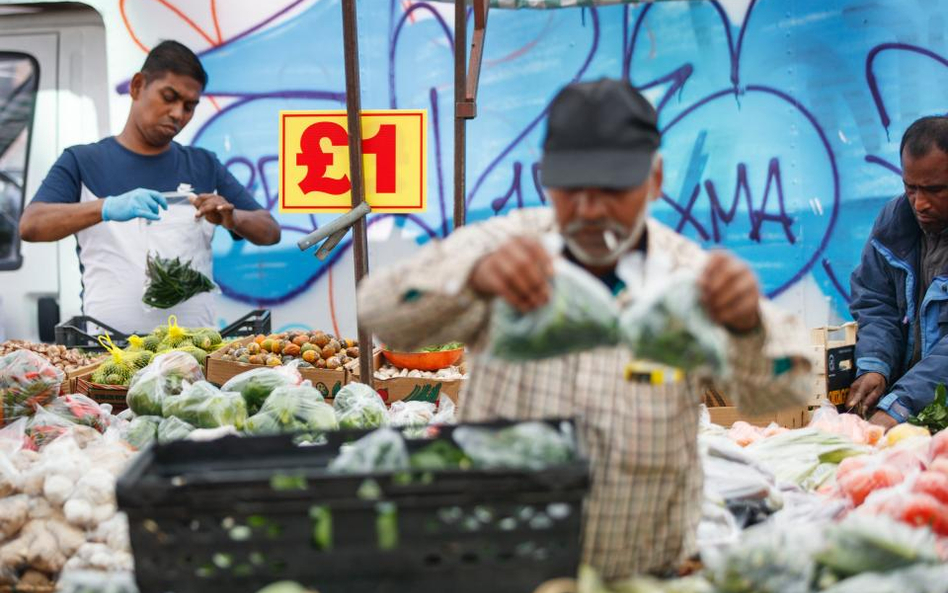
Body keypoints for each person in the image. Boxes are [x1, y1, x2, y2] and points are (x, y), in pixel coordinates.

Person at [357, 79, 812, 580]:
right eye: (573, 189)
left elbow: (785, 390)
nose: (591, 209)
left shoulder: (689, 282)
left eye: (614, 188)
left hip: (640, 577)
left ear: (654, 179)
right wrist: (475, 279)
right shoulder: (507, 248)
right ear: (547, 181)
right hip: (503, 572)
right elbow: (381, 311)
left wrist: (746, 324)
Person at [19, 40, 279, 333]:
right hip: (108, 354)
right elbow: (32, 225)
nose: (178, 113)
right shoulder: (82, 161)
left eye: (189, 106)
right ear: (137, 86)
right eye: (169, 97)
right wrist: (105, 207)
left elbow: (270, 231)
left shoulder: (204, 165)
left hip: (193, 352)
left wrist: (233, 218)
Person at [847, 116, 948, 429]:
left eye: (934, 190)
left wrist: (903, 402)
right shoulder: (894, 221)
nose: (920, 204)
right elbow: (876, 303)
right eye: (910, 188)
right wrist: (875, 366)